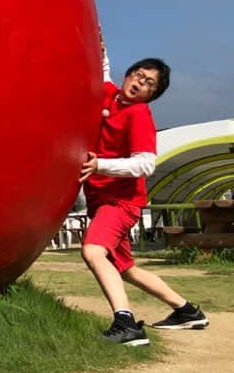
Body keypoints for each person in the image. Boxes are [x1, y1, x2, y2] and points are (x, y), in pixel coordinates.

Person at [78, 36, 208, 346]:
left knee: (93, 252)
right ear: (129, 75)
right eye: (139, 75)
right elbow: (105, 72)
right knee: (126, 269)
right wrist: (101, 46)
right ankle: (187, 311)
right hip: (102, 200)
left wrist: (101, 166)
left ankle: (126, 324)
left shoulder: (137, 115)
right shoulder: (110, 96)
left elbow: (145, 164)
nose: (140, 82)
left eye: (149, 83)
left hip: (119, 202)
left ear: (152, 95)